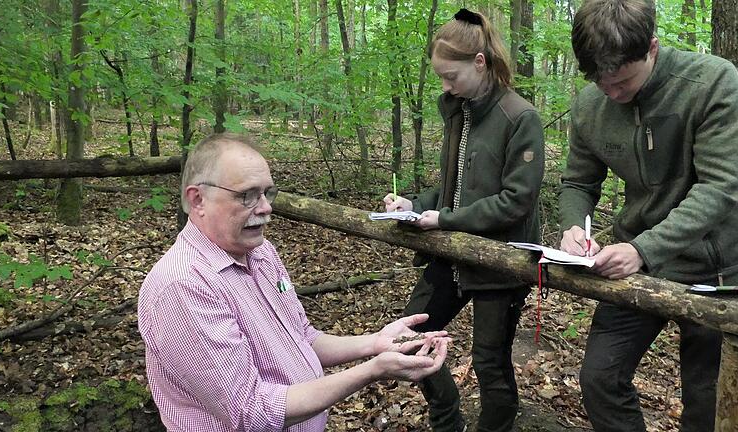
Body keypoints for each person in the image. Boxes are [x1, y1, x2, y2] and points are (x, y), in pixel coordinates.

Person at [138, 132, 451, 432]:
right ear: (198, 200)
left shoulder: (259, 253)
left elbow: (301, 338)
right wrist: (374, 370)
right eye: (248, 195)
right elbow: (251, 413)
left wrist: (374, 343)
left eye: (267, 193)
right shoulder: (183, 286)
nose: (265, 207)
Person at [558, 1, 738, 431]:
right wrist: (572, 226)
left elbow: (721, 187)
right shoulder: (591, 106)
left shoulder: (712, 82)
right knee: (600, 379)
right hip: (634, 266)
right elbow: (577, 183)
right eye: (598, 80)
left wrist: (642, 249)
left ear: (652, 48)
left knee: (708, 401)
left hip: (718, 268)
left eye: (622, 82)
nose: (610, 92)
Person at [383, 8, 545, 432]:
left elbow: (516, 201)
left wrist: (446, 218)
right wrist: (415, 204)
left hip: (499, 263)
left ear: (479, 63)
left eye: (450, 76)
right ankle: (447, 419)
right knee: (410, 338)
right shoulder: (461, 110)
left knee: (489, 362)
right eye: (440, 76)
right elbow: (455, 186)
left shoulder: (520, 117)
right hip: (451, 251)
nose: (445, 85)